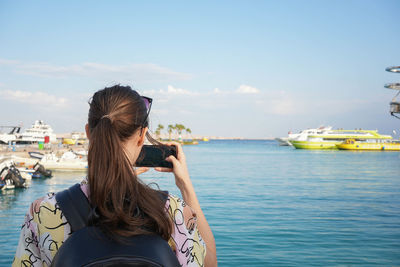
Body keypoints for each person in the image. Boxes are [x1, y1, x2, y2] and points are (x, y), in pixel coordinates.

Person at [13, 85, 217, 267]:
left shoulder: (42, 212)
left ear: (89, 133)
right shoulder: (172, 212)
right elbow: (210, 264)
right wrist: (185, 184)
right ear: (141, 135)